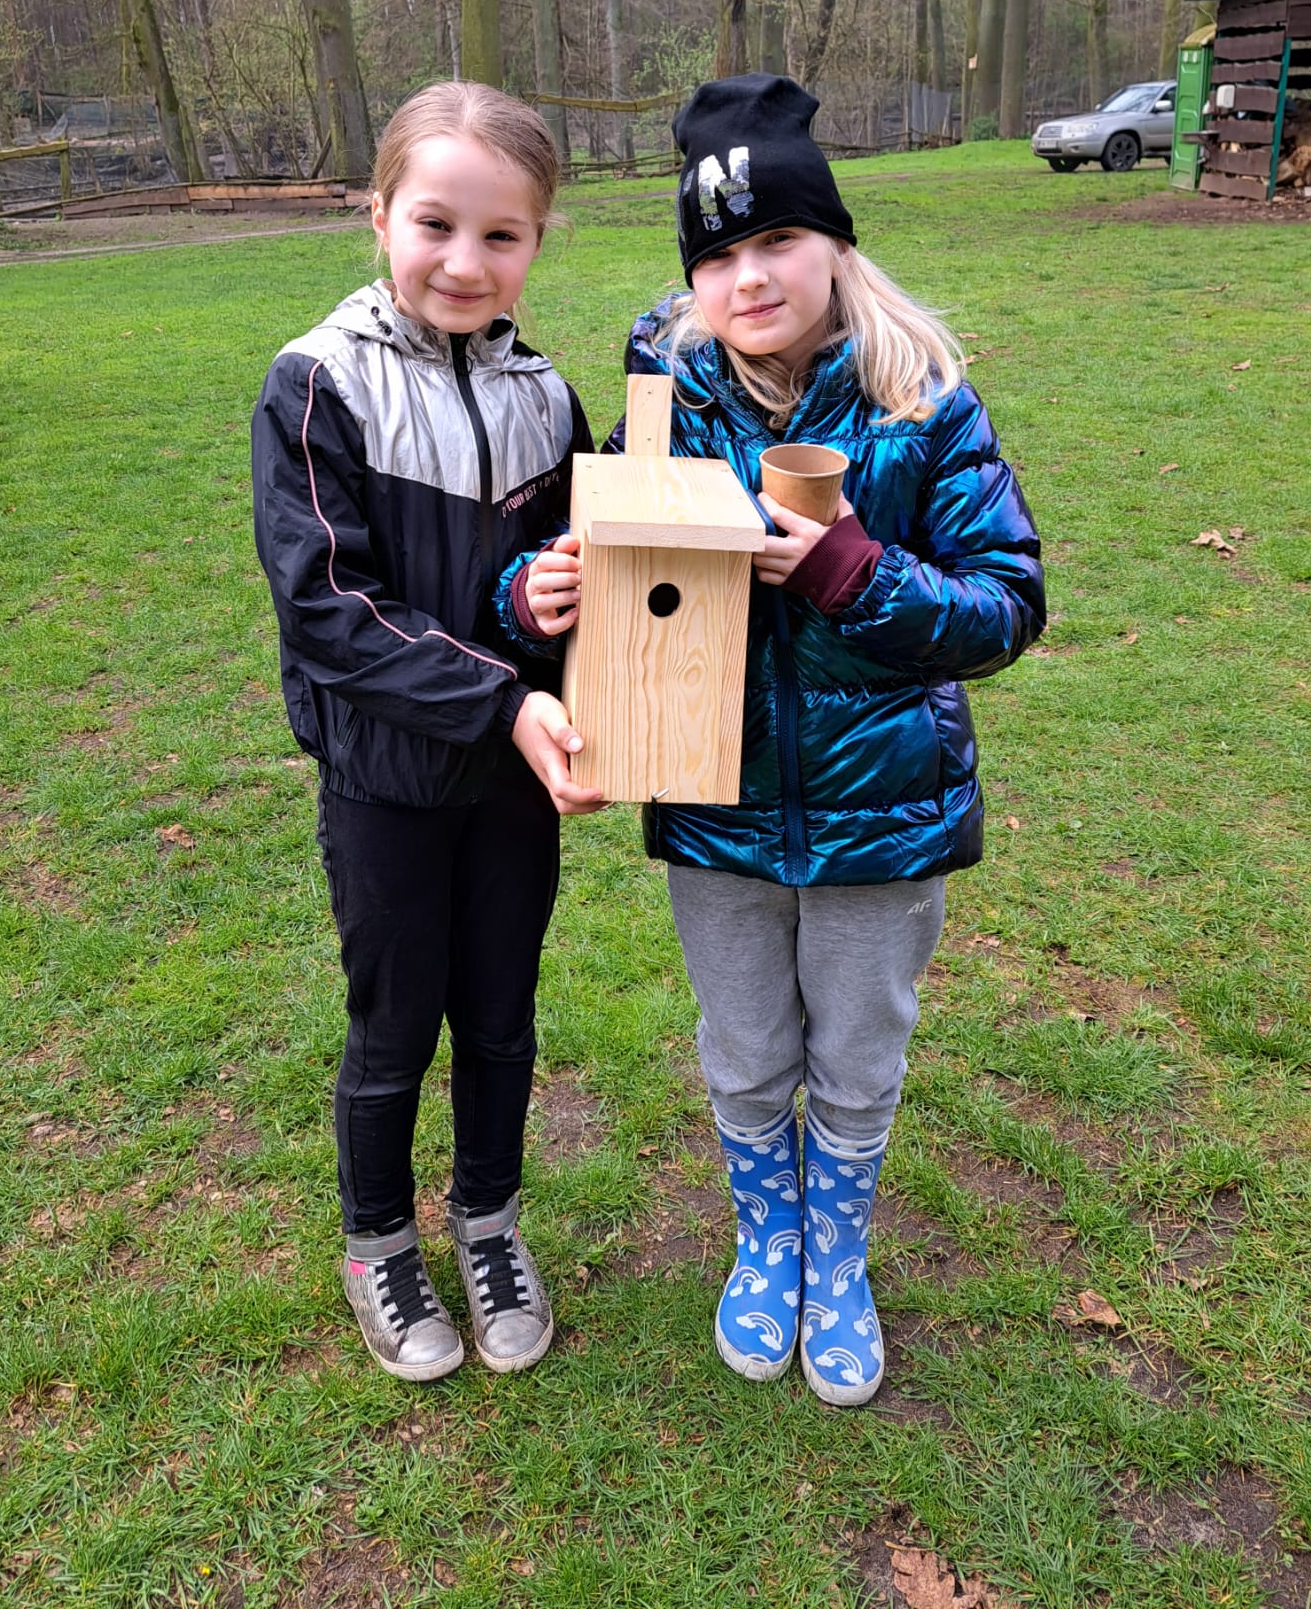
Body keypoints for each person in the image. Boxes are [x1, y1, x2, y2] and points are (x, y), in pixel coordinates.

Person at [502, 74, 1044, 1406]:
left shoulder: (923, 405)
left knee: (856, 1056)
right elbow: (588, 555)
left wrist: (857, 573)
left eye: (779, 241)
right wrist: (537, 591)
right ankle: (769, 1240)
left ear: (835, 243)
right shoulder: (665, 401)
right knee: (745, 1050)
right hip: (717, 803)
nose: (749, 277)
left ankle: (837, 1253)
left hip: (885, 813)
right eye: (719, 255)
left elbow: (1007, 606)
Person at [251, 81, 601, 1386]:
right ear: (380, 216)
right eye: (436, 225)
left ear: (538, 240)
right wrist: (505, 698)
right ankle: (379, 1244)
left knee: (501, 1015)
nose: (465, 262)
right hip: (386, 784)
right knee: (396, 1025)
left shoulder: (547, 400)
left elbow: (565, 580)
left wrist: (553, 608)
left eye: (501, 235)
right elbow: (329, 609)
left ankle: (489, 1221)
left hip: (513, 786)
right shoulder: (316, 385)